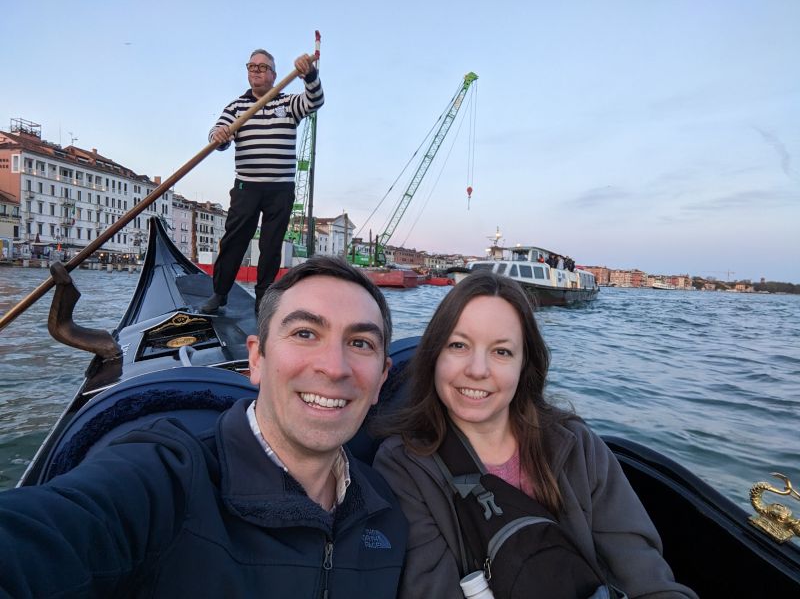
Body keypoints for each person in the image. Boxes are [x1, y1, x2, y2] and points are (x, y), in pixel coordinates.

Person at [0, 256, 407, 598]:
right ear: (257, 359)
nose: (334, 367)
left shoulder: (388, 511)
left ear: (382, 379)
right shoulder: (163, 480)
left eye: (360, 343)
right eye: (304, 333)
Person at [373, 271, 697, 598]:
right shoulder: (405, 465)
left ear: (524, 364)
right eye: (458, 345)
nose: (477, 369)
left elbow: (645, 578)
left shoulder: (577, 447)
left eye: (502, 352)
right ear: (434, 356)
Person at [201, 48, 324, 315]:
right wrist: (219, 136)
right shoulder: (236, 107)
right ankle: (219, 293)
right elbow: (216, 135)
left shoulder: (288, 103)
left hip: (280, 189)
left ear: (274, 74)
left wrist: (310, 74)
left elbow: (315, 101)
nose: (256, 71)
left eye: (262, 67)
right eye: (252, 67)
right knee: (234, 240)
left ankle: (263, 300)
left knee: (271, 246)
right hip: (246, 186)